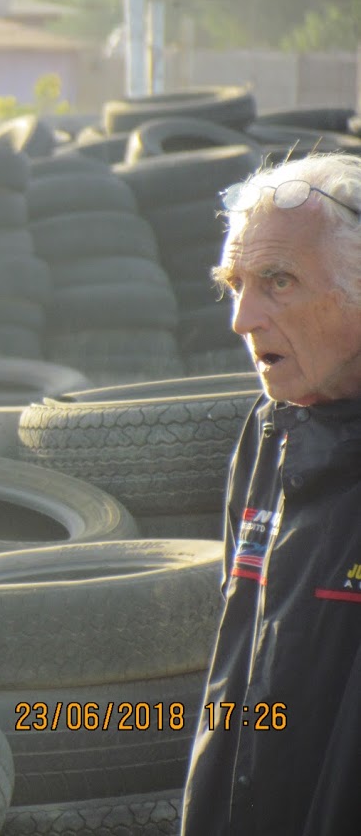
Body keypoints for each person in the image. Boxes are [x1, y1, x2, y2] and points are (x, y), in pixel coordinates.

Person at [182, 152, 361, 835]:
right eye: (233, 284)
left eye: (277, 281)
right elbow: (238, 676)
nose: (241, 318)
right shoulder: (270, 434)